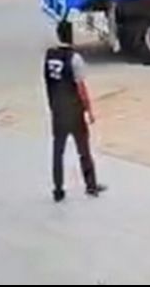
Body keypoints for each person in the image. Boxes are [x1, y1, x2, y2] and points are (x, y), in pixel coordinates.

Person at [44, 21, 106, 203]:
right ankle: (91, 185)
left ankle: (58, 189)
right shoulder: (74, 58)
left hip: (58, 111)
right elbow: (81, 89)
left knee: (58, 151)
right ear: (71, 36)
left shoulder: (49, 56)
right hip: (74, 112)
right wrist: (89, 110)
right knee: (83, 150)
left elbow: (48, 82)